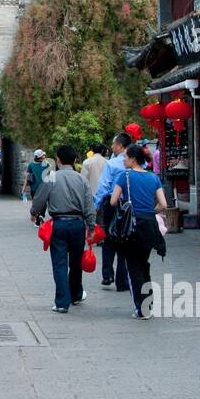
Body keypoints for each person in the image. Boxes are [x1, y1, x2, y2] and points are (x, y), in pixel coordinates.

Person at [30, 145, 96, 313]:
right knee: (75, 263)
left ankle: (61, 302)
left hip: (58, 224)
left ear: (58, 160)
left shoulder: (51, 177)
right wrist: (91, 227)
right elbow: (89, 206)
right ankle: (75, 294)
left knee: (60, 263)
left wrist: (34, 213)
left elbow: (39, 199)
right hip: (78, 224)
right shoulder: (81, 179)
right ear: (74, 160)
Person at [109, 143, 167, 320]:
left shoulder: (123, 176)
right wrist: (151, 211)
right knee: (144, 264)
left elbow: (113, 201)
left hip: (131, 227)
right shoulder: (153, 177)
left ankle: (142, 309)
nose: (123, 160)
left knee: (133, 267)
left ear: (133, 159)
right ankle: (148, 303)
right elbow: (163, 205)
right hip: (149, 226)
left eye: (126, 157)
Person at [93, 132, 133, 291]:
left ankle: (107, 274)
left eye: (113, 144)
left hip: (112, 204)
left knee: (108, 239)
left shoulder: (113, 164)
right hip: (130, 206)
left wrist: (96, 206)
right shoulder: (137, 164)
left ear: (121, 146)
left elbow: (104, 186)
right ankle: (122, 280)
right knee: (125, 239)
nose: (111, 146)